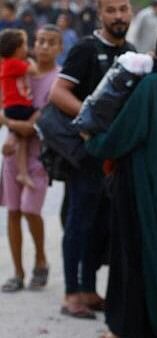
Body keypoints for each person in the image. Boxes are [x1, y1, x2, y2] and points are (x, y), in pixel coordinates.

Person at [84, 23, 157, 338]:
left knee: (133, 255)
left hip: (141, 183)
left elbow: (123, 134)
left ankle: (129, 326)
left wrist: (92, 142)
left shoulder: (152, 85)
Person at [49, 0, 135, 320]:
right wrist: (93, 116)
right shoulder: (86, 49)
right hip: (84, 157)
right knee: (78, 224)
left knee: (100, 225)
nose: (118, 16)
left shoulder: (133, 55)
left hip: (113, 161)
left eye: (123, 9)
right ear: (100, 14)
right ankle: (72, 293)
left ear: (131, 13)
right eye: (111, 10)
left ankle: (88, 289)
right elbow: (57, 93)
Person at [0, 24, 62, 293]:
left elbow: (48, 113)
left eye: (50, 42)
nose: (44, 46)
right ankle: (17, 272)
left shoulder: (60, 79)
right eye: (39, 41)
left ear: (59, 47)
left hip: (41, 155)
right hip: (13, 154)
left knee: (30, 209)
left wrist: (28, 126)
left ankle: (40, 258)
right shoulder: (16, 68)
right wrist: (10, 122)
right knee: (13, 211)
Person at [0, 28, 40, 188]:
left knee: (21, 138)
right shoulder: (14, 63)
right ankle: (22, 172)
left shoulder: (7, 64)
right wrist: (30, 59)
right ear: (16, 49)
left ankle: (22, 172)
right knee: (40, 114)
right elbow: (34, 71)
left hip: (13, 106)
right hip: (18, 106)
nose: (27, 49)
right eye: (24, 46)